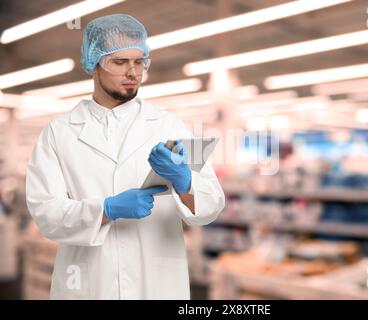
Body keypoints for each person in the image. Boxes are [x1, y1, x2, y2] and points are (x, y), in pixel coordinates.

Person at [25, 14, 225, 299]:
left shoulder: (170, 126)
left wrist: (185, 183)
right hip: (88, 285)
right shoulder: (58, 133)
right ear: (94, 63)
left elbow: (212, 205)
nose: (133, 72)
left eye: (139, 61)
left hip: (157, 286)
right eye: (119, 62)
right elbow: (46, 213)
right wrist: (105, 210)